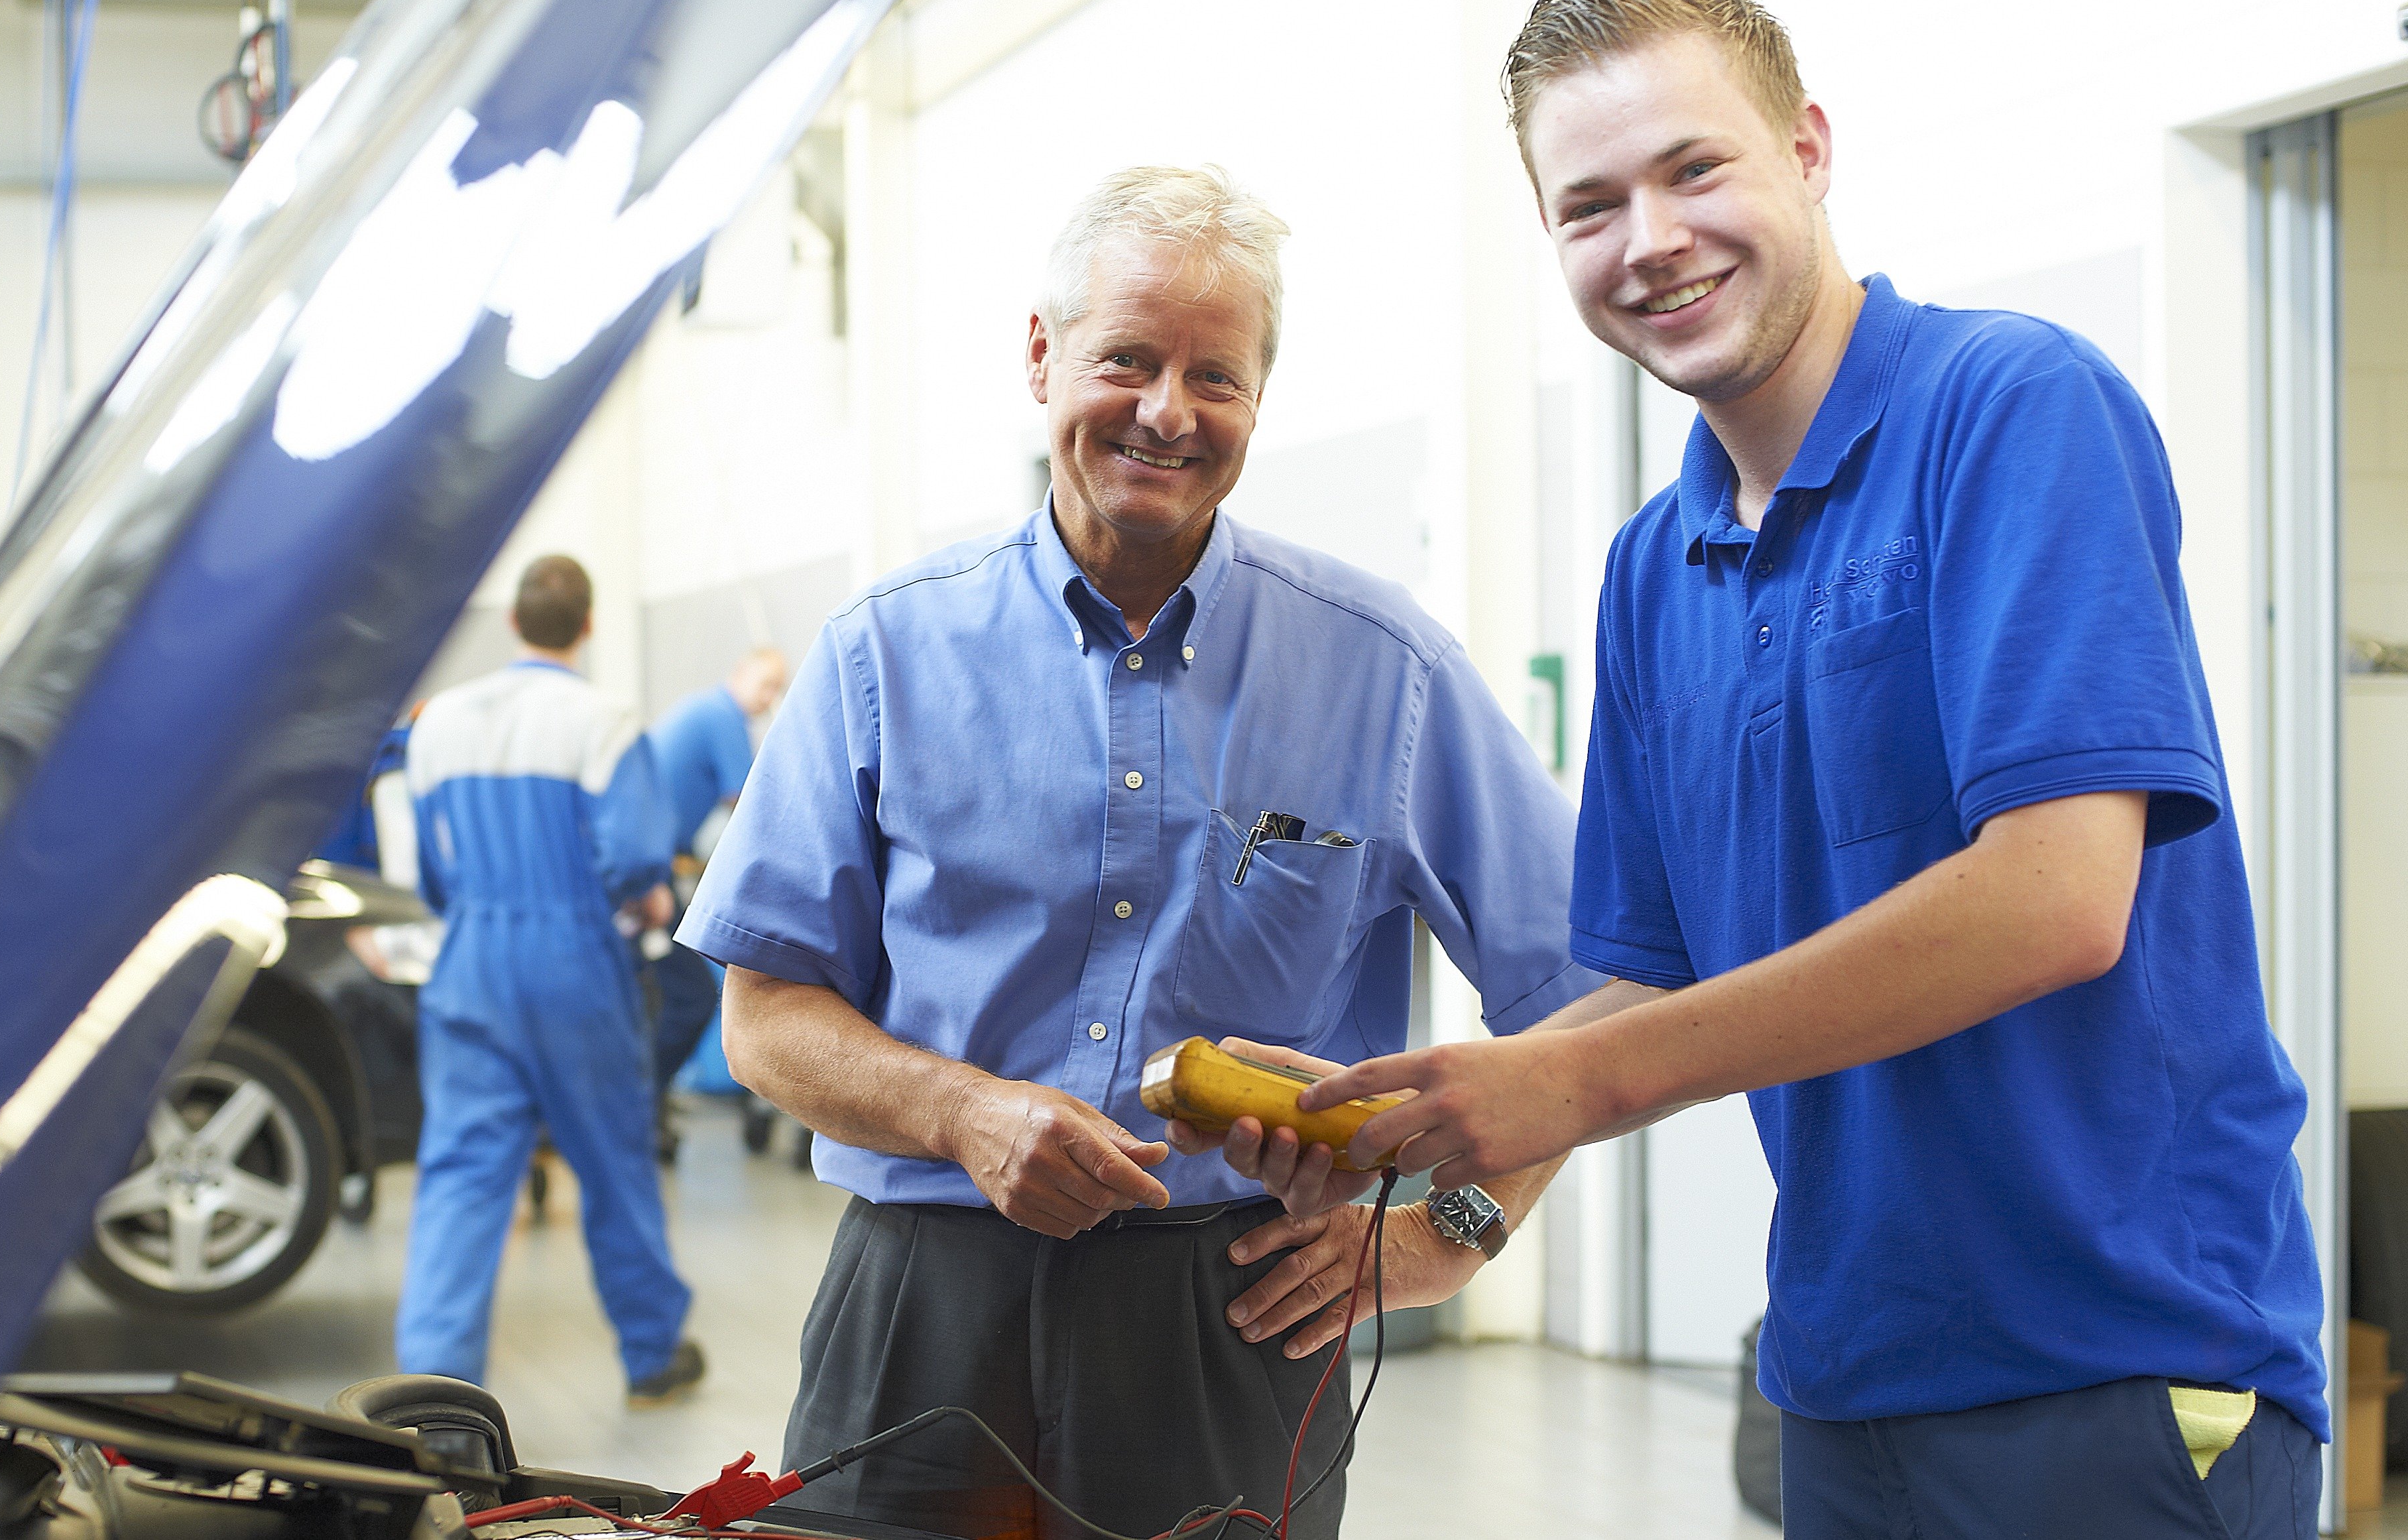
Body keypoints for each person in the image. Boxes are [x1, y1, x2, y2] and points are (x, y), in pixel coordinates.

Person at [1246, 0, 2324, 1539]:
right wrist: (1438, 1155)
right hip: (1840, 1383)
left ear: (1809, 150)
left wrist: (1565, 1075)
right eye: (1590, 206)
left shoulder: (2011, 411)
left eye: (1696, 168)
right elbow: (1657, 973)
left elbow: (2055, 897)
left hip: (2119, 1368)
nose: (1653, 240)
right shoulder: (1648, 567)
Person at [676, 166, 1593, 1539]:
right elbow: (764, 1023)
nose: (1167, 411)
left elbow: (1577, 998)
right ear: (1042, 356)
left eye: (1214, 376)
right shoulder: (885, 654)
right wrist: (962, 1113)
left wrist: (1449, 1232)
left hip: (1229, 1309)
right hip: (923, 1289)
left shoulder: (1380, 670)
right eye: (1128, 358)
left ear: (1259, 400)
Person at [396, 554, 707, 1406]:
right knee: (612, 1157)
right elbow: (639, 856)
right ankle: (652, 1352)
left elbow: (430, 870)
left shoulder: (437, 722)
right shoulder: (600, 719)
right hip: (571, 958)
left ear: (515, 623)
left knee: (460, 1173)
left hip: (468, 961)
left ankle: (435, 1396)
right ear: (589, 623)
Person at [640, 648, 791, 1139]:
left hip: (652, 862)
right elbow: (750, 803)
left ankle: (646, 1100)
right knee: (693, 996)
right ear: (739, 673)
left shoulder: (701, 710)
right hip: (646, 870)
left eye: (778, 690)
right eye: (766, 685)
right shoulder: (721, 716)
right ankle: (641, 1105)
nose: (769, 699)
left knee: (657, 995)